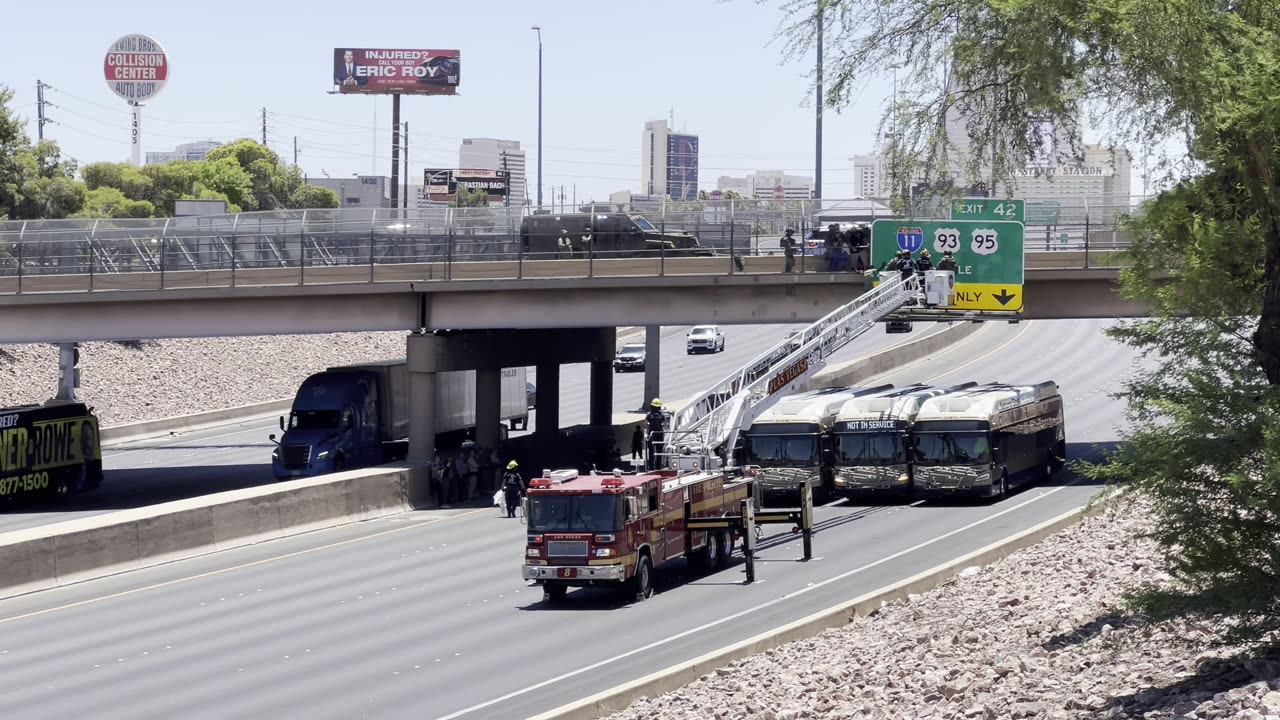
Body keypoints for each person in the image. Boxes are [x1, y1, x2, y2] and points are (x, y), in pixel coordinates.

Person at [646, 398, 668, 470]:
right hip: (659, 435)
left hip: (651, 435)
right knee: (659, 451)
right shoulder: (662, 415)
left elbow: (645, 424)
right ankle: (658, 466)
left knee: (651, 451)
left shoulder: (649, 414)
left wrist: (649, 426)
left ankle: (651, 466)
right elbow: (665, 424)